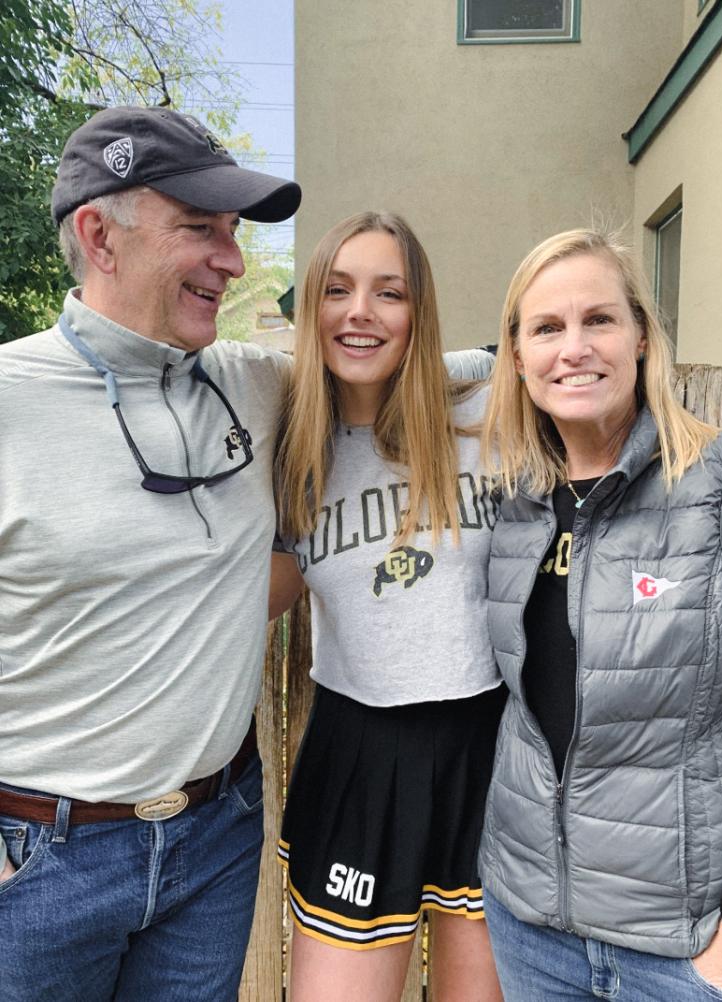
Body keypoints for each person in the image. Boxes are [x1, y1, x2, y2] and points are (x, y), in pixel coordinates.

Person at [0, 105, 301, 1002]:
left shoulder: (254, 383)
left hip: (216, 838)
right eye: (200, 230)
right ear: (100, 235)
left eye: (234, 233)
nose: (235, 261)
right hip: (40, 865)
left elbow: (401, 366)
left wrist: (543, 361)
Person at [478, 227, 722, 1001]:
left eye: (598, 320)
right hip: (532, 931)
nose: (574, 348)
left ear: (640, 338)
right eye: (547, 328)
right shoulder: (513, 505)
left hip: (686, 950)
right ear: (519, 356)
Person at [269, 211, 504, 1002]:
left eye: (389, 292)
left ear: (419, 313)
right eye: (337, 290)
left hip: (492, 746)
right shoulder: (291, 450)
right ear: (312, 309)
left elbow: (552, 351)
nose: (359, 311)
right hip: (361, 750)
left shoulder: (484, 419)